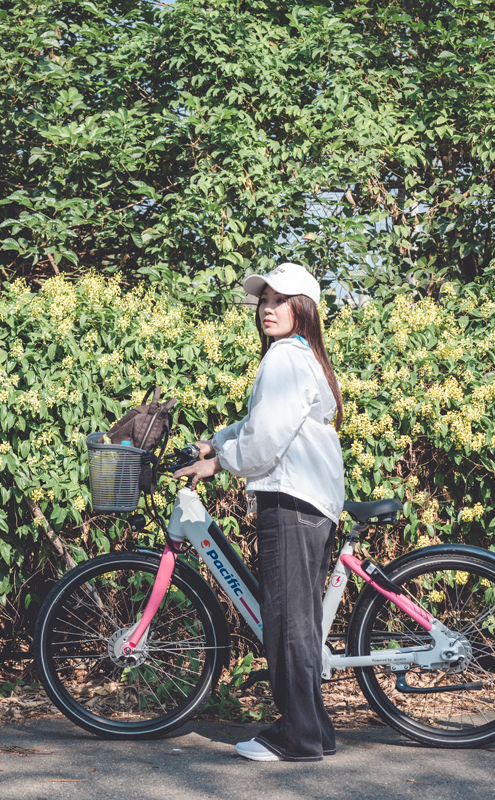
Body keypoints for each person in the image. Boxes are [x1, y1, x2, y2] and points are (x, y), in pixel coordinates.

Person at [173, 261, 345, 762]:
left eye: (280, 300)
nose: (268, 308)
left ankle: (299, 738)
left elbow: (266, 440)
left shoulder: (284, 360)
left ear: (303, 309)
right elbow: (258, 422)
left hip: (292, 502)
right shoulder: (297, 356)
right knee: (299, 624)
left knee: (288, 624)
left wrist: (219, 462)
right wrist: (216, 443)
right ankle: (313, 730)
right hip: (306, 501)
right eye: (264, 300)